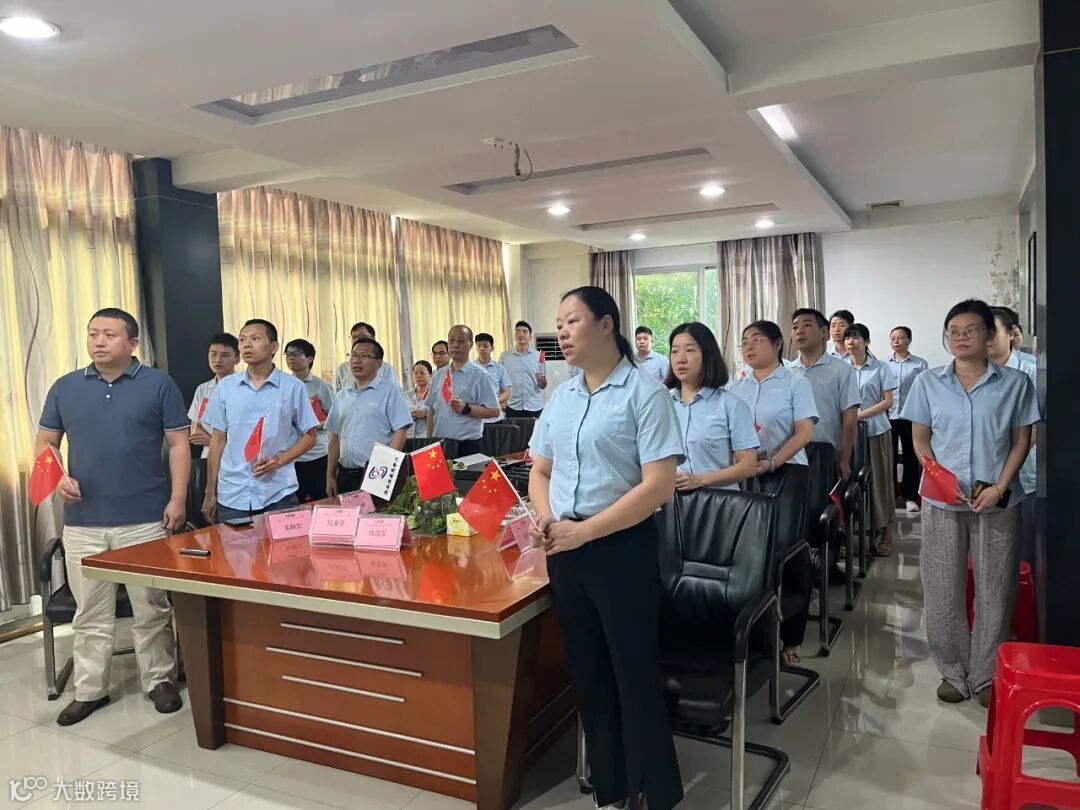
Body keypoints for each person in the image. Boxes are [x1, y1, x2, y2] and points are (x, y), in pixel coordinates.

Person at [528, 286, 684, 810]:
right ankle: (611, 789)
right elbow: (541, 470)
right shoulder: (562, 397)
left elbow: (659, 486)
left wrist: (587, 531)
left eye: (572, 321)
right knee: (589, 675)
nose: (562, 333)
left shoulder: (645, 393)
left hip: (621, 550)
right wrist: (547, 519)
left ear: (606, 324)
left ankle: (656, 792)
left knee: (632, 675)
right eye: (558, 323)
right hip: (565, 550)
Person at [36, 307, 189, 726]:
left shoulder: (158, 384)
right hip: (83, 520)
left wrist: (177, 499)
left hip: (145, 518)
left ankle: (159, 680)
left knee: (151, 607)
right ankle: (90, 690)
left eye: (109, 334)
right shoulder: (65, 387)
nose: (99, 341)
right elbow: (45, 443)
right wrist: (57, 477)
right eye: (93, 334)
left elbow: (179, 444)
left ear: (133, 343)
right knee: (90, 613)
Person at [902, 299, 1038, 707]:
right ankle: (952, 670)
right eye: (953, 331)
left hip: (998, 499)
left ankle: (984, 674)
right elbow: (920, 439)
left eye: (971, 330)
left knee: (995, 586)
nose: (961, 338)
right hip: (942, 500)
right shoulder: (928, 382)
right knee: (942, 585)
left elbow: (1021, 441)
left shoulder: (1016, 383)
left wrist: (1000, 486)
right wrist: (937, 476)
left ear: (989, 335)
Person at [728, 320, 819, 665]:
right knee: (748, 555)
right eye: (744, 341)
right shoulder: (736, 387)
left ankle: (792, 638)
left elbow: (804, 432)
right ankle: (755, 634)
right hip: (746, 475)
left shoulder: (795, 383)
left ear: (778, 344)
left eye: (757, 340)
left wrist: (773, 462)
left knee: (787, 552)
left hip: (787, 473)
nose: (749, 346)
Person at [201, 319, 320, 524]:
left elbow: (310, 436)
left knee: (284, 546)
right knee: (234, 545)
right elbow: (217, 440)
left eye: (255, 339)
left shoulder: (293, 387)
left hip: (278, 491)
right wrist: (210, 492)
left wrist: (279, 460)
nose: (247, 344)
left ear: (274, 347)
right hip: (233, 493)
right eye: (242, 340)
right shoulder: (226, 387)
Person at [665, 322, 758, 490]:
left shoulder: (731, 405)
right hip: (672, 500)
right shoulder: (662, 405)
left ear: (707, 355)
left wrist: (700, 480)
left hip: (718, 500)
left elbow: (749, 465)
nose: (680, 359)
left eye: (690, 350)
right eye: (675, 351)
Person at [325, 337, 413, 496]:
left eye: (364, 356)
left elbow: (401, 432)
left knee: (376, 513)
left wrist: (384, 469)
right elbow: (334, 437)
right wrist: (330, 475)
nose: (357, 360)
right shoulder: (342, 396)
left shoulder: (390, 391)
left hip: (375, 473)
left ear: (379, 363)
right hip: (345, 474)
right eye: (353, 355)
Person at [844, 324, 897, 556]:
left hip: (876, 431)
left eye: (856, 337)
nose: (851, 342)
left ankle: (886, 534)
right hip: (849, 433)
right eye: (848, 338)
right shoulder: (842, 368)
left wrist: (860, 415)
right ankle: (852, 532)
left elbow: (888, 401)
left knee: (879, 480)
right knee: (850, 481)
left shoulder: (880, 367)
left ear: (866, 342)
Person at [990, 306, 1038, 563]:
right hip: (984, 478)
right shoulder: (970, 372)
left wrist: (1006, 467)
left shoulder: (1032, 371)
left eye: (992, 331)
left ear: (1011, 334)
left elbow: (1037, 428)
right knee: (991, 548)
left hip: (1024, 474)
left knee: (1022, 547)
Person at [789, 309, 860, 481]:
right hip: (790, 454)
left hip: (827, 454)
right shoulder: (786, 372)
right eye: (795, 327)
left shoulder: (842, 370)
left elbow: (849, 419)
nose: (799, 331)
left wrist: (844, 459)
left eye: (807, 325)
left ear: (824, 333)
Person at [425, 325, 501, 456]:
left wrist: (466, 408)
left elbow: (494, 411)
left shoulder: (480, 375)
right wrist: (428, 441)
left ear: (470, 345)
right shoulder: (438, 375)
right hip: (439, 444)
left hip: (467, 445)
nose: (455, 345)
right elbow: (431, 410)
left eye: (460, 341)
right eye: (451, 340)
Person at [284, 338, 335, 503]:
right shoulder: (284, 386)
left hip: (317, 453)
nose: (291, 358)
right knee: (294, 505)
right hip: (291, 455)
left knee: (321, 501)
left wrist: (313, 425)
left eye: (296, 354)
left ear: (310, 358)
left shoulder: (321, 386)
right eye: (288, 354)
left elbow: (334, 418)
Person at [886, 326, 929, 513]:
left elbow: (924, 391)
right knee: (889, 457)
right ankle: (889, 497)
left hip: (911, 416)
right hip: (888, 416)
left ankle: (910, 497)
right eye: (893, 338)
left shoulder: (920, 364)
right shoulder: (883, 364)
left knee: (912, 457)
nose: (896, 341)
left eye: (901, 337)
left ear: (909, 340)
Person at [188, 333, 240, 459]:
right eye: (213, 354)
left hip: (235, 458)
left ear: (237, 359)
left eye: (225, 355)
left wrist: (211, 441)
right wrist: (210, 440)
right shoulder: (203, 389)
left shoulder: (244, 388)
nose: (217, 360)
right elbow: (195, 429)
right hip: (208, 456)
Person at [499, 320, 547, 418]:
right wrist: (502, 402)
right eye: (518, 331)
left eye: (525, 332)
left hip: (535, 406)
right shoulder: (505, 356)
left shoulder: (539, 356)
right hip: (513, 406)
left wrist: (542, 381)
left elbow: (543, 385)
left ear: (530, 336)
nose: (521, 334)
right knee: (514, 429)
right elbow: (500, 381)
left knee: (535, 429)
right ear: (515, 335)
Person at [334, 322, 399, 390]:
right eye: (354, 337)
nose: (357, 340)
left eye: (362, 336)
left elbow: (393, 392)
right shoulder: (342, 369)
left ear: (373, 339)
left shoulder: (387, 369)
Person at [474, 332, 511, 423]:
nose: (482, 349)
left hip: (496, 417)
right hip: (476, 418)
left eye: (485, 346)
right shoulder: (470, 368)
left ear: (492, 348)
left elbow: (506, 393)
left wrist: (493, 402)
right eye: (479, 346)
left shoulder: (500, 368)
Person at [404, 360, 433, 439]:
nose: (418, 376)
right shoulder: (405, 395)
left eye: (422, 373)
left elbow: (442, 417)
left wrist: (426, 414)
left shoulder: (435, 394)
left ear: (430, 375)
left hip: (427, 439)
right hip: (407, 438)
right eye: (415, 373)